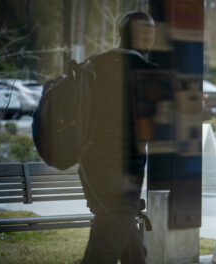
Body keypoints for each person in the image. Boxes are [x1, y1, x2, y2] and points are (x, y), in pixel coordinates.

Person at [79, 11, 159, 264]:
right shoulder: (146, 73)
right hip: (124, 171)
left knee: (122, 230)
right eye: (147, 34)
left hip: (90, 167)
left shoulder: (93, 64)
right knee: (104, 246)